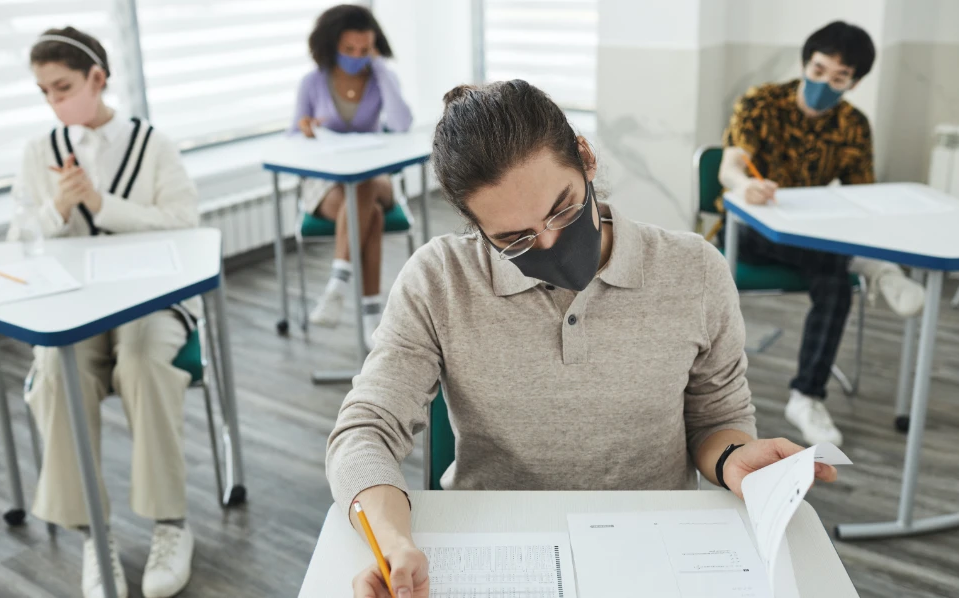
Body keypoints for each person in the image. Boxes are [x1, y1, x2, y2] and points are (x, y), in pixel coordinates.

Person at [326, 80, 838, 598]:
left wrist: (732, 458)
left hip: (654, 550)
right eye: (513, 238)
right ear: (475, 227)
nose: (549, 242)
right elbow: (365, 430)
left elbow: (716, 419)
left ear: (586, 158)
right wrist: (390, 541)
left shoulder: (694, 271)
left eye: (563, 210)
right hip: (500, 549)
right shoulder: (440, 279)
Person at [10, 27, 199, 598]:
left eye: (63, 87)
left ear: (97, 78)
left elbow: (184, 224)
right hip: (76, 307)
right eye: (44, 92)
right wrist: (55, 208)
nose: (53, 101)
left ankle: (170, 522)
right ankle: (95, 532)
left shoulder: (153, 144)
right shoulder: (38, 152)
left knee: (142, 360)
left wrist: (100, 205)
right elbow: (19, 239)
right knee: (55, 373)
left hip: (151, 304)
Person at [719, 21, 926, 447]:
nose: (822, 84)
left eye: (838, 78)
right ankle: (878, 269)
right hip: (752, 230)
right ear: (804, 62)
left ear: (855, 82)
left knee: (834, 284)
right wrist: (745, 186)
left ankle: (806, 397)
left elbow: (860, 200)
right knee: (833, 264)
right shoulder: (761, 103)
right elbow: (729, 166)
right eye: (817, 70)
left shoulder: (853, 125)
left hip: (813, 241)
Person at [290, 4, 413, 346]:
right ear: (331, 45)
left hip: (376, 179)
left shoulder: (379, 78)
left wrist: (381, 68)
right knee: (368, 214)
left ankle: (336, 284)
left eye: (364, 49)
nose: (357, 56)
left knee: (364, 183)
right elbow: (292, 137)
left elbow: (402, 123)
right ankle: (372, 314)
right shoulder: (312, 82)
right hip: (328, 184)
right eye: (349, 50)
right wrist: (306, 131)